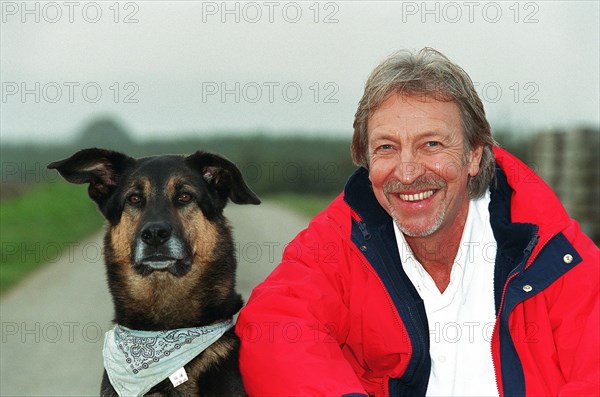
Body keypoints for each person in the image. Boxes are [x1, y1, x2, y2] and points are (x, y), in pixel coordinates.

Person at [235, 48, 600, 396]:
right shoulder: (342, 237)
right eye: (386, 147)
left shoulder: (552, 251)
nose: (407, 173)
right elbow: (276, 326)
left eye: (431, 145)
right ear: (366, 160)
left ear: (473, 155)